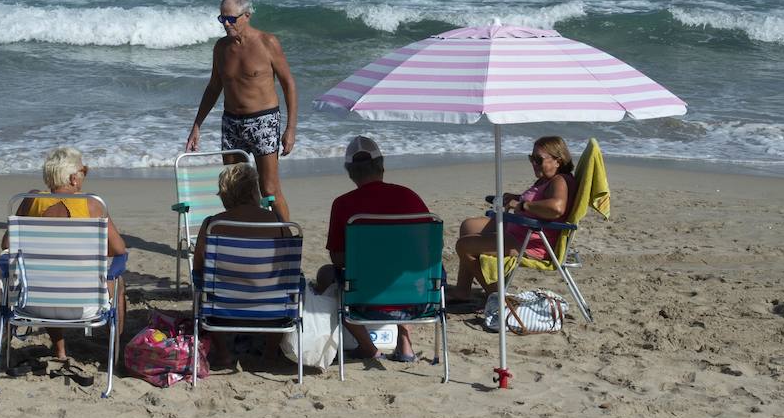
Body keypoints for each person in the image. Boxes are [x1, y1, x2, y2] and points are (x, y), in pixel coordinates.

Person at [6, 146, 128, 364]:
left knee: (48, 274)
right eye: (83, 171)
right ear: (73, 178)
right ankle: (115, 353)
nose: (84, 176)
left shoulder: (30, 200)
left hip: (32, 303)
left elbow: (7, 244)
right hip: (85, 306)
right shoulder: (92, 204)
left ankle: (59, 350)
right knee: (119, 284)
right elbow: (119, 250)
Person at [314, 136, 429, 363]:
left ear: (350, 172)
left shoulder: (343, 204)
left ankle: (368, 348)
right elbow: (430, 249)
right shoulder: (409, 196)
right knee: (406, 268)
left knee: (326, 274)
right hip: (416, 298)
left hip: (364, 300)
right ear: (381, 165)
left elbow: (338, 258)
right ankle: (404, 342)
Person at [185, 0, 298, 220]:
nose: (226, 24)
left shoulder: (267, 42)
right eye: (222, 19)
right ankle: (243, 232)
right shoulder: (221, 48)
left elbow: (289, 85)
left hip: (264, 121)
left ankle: (288, 234)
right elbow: (214, 87)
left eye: (231, 19)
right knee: (233, 189)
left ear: (247, 16)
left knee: (269, 189)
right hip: (231, 123)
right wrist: (197, 125)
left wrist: (290, 129)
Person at [451, 135, 577, 307]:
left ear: (558, 160)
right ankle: (462, 290)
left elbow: (557, 208)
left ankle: (497, 297)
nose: (534, 163)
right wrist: (516, 197)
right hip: (521, 231)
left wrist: (522, 205)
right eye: (531, 158)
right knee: (469, 226)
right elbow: (540, 200)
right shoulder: (547, 179)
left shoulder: (560, 181)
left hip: (531, 242)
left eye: (538, 159)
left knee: (464, 246)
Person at [192, 163, 294, 365]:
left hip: (222, 311)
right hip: (272, 310)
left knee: (203, 290)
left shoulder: (212, 225)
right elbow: (289, 264)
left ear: (224, 195)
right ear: (254, 191)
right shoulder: (277, 222)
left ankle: (223, 353)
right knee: (287, 284)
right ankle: (270, 352)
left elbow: (198, 269)